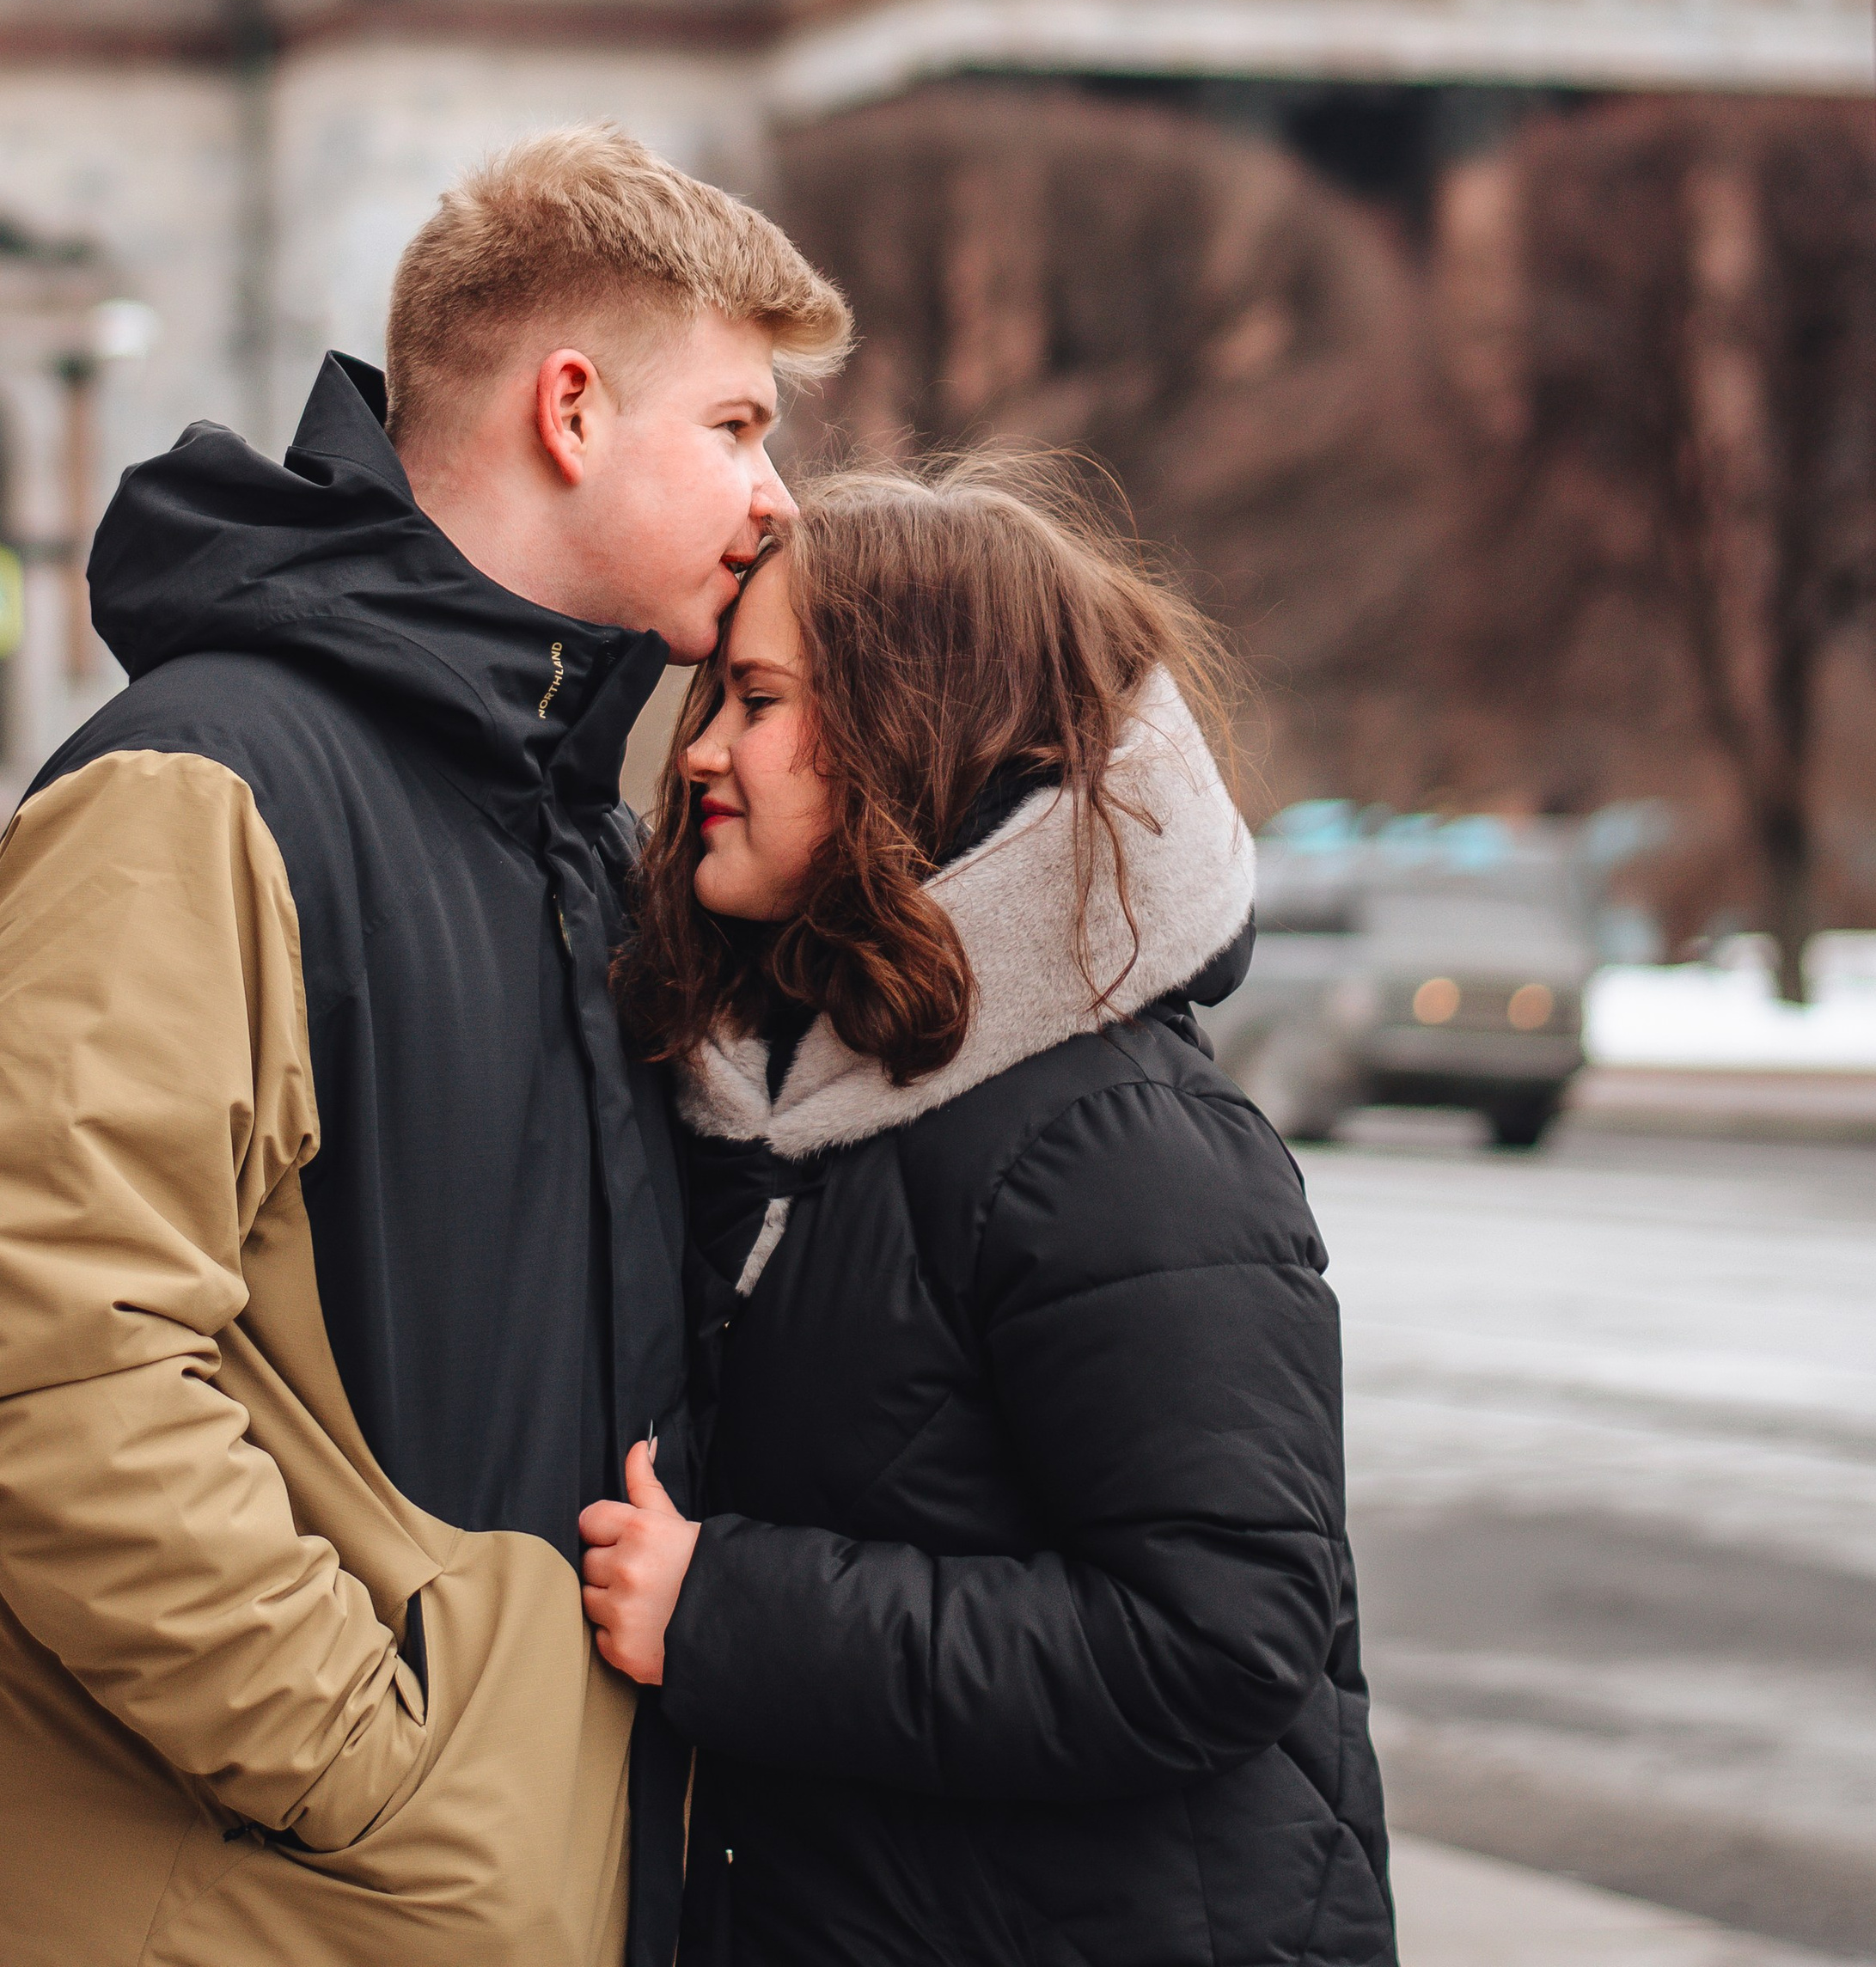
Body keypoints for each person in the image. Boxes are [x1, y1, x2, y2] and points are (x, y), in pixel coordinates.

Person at [0, 125, 851, 1967]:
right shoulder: (207, 783)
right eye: (734, 425)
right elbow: (26, 1347)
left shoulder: (559, 821)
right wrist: (377, 1767)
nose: (775, 495)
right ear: (570, 408)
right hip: (277, 1901)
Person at [578, 459, 1396, 1967]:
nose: (701, 754)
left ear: (915, 732)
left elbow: (1219, 1640)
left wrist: (726, 1614)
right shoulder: (779, 1101)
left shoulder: (1117, 1138)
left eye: (759, 704)